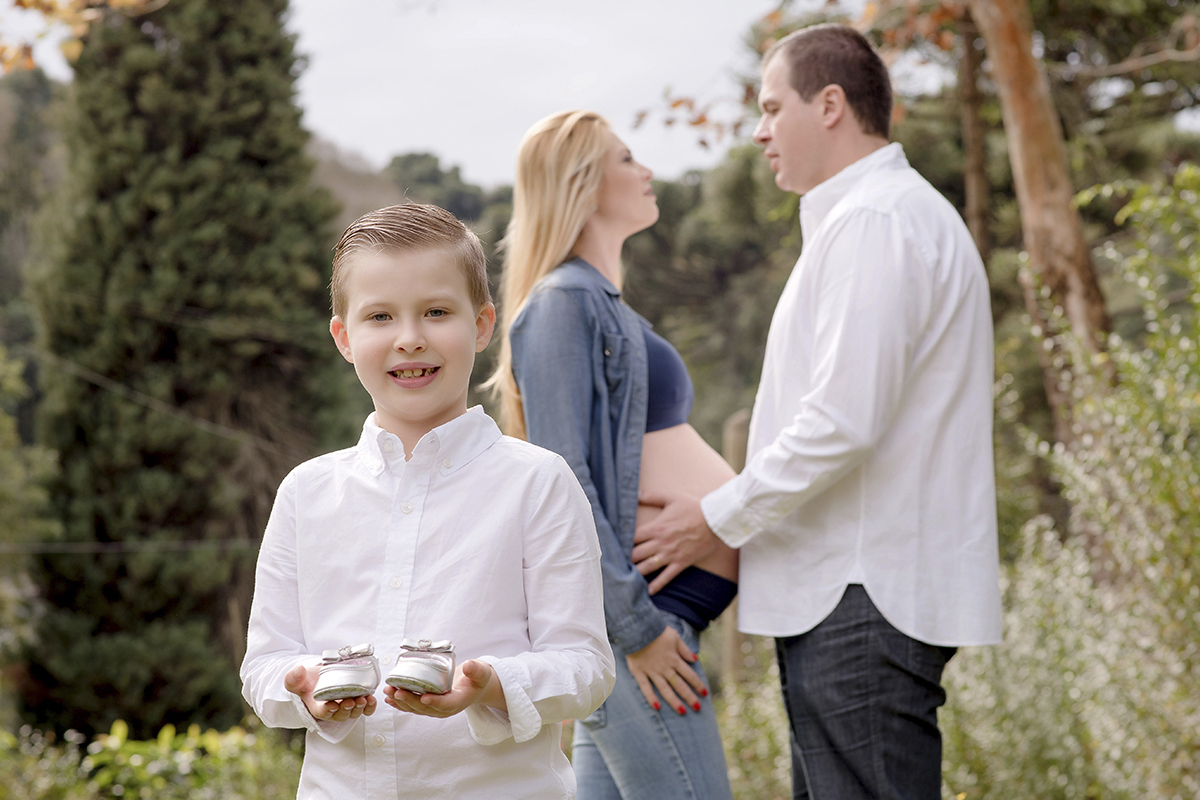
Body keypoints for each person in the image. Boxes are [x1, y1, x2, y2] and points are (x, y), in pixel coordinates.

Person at [632, 24, 1003, 800]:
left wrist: (716, 517)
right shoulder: (879, 218)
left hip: (860, 593)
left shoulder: (876, 222)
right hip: (858, 593)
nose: (761, 131)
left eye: (772, 107)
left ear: (830, 104)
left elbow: (843, 420)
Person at [239, 203, 615, 799]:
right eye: (380, 316)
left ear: (483, 323)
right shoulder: (306, 493)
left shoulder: (538, 482)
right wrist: (303, 687)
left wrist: (491, 685)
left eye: (437, 312)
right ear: (344, 337)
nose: (410, 339)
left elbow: (585, 667)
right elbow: (263, 665)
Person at [486, 109, 738, 800]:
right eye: (629, 158)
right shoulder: (565, 303)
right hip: (639, 630)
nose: (648, 170)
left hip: (649, 625)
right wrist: (638, 631)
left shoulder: (601, 303)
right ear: (586, 183)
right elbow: (566, 480)